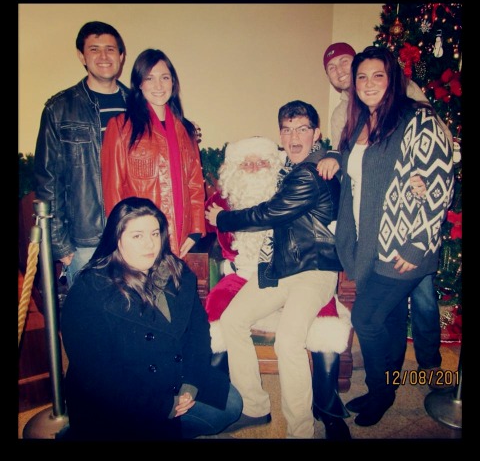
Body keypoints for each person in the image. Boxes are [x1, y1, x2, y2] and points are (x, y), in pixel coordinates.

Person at [205, 100, 344, 439]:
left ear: (316, 134)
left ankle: (300, 431)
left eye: (302, 129)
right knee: (233, 320)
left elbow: (269, 212)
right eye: (287, 130)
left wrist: (223, 218)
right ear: (280, 135)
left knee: (288, 342)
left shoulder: (310, 174)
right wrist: (335, 155)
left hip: (313, 270)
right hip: (282, 268)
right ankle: (255, 406)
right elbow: (257, 171)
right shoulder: (287, 166)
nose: (294, 138)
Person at [333, 46, 453, 427]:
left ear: (392, 80)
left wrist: (417, 245)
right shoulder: (359, 123)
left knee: (366, 318)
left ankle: (382, 392)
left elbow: (440, 180)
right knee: (388, 320)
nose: (369, 84)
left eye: (378, 76)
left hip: (404, 245)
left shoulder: (417, 118)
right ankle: (387, 383)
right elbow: (353, 173)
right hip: (370, 243)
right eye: (362, 77)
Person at [60, 196, 242, 441]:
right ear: (116, 239)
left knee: (231, 404)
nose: (150, 244)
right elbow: (98, 376)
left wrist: (191, 383)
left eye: (155, 234)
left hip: (175, 377)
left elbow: (197, 333)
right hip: (123, 400)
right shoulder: (89, 291)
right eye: (137, 236)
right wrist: (162, 405)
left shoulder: (177, 272)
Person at [34, 21, 129, 287]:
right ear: (81, 56)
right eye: (94, 49)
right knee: (90, 311)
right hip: (85, 239)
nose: (103, 56)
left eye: (110, 49)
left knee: (135, 307)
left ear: (121, 56)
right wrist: (60, 244)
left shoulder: (138, 104)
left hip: (133, 230)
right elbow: (47, 180)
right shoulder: (59, 108)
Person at [101, 48, 205, 259]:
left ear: (173, 82)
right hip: (141, 241)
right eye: (150, 78)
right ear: (139, 83)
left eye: (164, 78)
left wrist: (195, 230)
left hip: (182, 238)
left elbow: (194, 184)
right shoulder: (121, 127)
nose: (158, 86)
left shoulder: (186, 130)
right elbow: (113, 192)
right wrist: (123, 239)